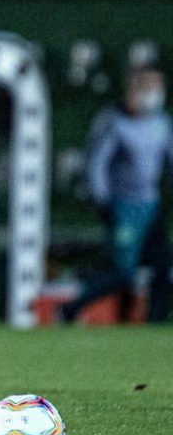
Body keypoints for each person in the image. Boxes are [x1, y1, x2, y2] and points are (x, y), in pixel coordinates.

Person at [62, 66, 172, 323]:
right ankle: (70, 308)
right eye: (150, 88)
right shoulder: (116, 123)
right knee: (123, 272)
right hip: (124, 207)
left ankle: (155, 322)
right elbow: (98, 165)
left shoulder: (161, 124)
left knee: (162, 266)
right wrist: (103, 201)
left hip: (151, 206)